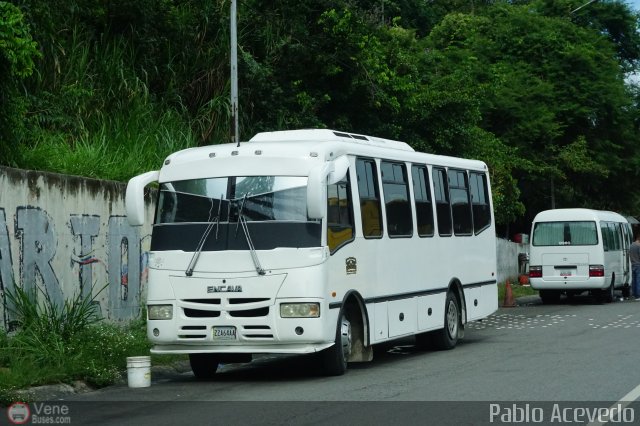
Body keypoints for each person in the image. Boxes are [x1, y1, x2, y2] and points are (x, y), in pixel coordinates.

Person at [631, 231, 640, 300]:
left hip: (633, 264)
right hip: (638, 264)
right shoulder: (638, 246)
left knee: (634, 280)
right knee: (638, 280)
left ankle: (634, 294)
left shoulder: (631, 245)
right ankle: (638, 295)